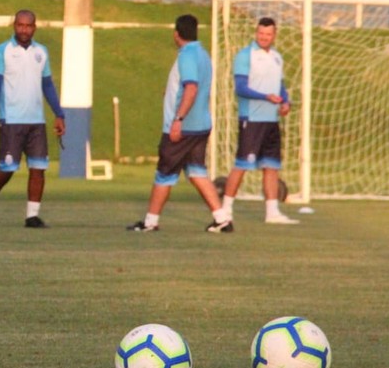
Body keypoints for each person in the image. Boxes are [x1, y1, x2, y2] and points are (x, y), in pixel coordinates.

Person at [126, 14, 233, 233]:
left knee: (164, 174)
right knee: (196, 172)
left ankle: (150, 222)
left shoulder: (186, 56)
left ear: (176, 34)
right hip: (201, 125)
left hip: (184, 127)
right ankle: (222, 219)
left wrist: (178, 119)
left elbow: (191, 88)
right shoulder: (203, 54)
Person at [0, 9, 66, 228]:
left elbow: (47, 85)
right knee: (7, 168)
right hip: (11, 119)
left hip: (36, 121)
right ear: (14, 25)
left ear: (34, 28)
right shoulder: (2, 52)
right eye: (20, 25)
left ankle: (32, 216)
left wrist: (59, 114)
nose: (24, 29)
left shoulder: (41, 52)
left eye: (28, 26)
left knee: (38, 168)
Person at [221, 17, 299, 224]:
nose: (264, 38)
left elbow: (280, 86)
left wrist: (285, 102)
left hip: (271, 120)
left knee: (271, 166)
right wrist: (266, 97)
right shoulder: (245, 56)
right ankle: (225, 210)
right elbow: (240, 88)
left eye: (268, 34)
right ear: (256, 33)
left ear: (274, 35)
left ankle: (272, 212)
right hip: (252, 119)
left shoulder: (277, 57)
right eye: (261, 34)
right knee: (242, 164)